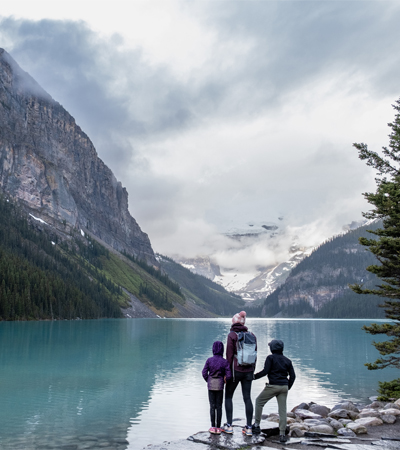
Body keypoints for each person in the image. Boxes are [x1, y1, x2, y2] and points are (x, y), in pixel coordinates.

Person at [252, 339, 296, 443]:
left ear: (272, 348)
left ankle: (257, 425)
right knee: (282, 410)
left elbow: (265, 371)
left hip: (273, 386)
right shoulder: (287, 360)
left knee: (259, 402)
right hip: (284, 387)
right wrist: (287, 386)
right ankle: (282, 435)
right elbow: (293, 376)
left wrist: (253, 377)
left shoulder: (270, 358)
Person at [222, 311, 257, 437]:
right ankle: (248, 427)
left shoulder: (232, 335)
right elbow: (255, 355)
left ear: (234, 322)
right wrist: (252, 371)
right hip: (248, 371)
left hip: (235, 371)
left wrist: (227, 373)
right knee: (247, 398)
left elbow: (229, 356)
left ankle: (229, 426)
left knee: (228, 396)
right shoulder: (252, 335)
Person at [202, 340, 232, 434]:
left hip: (211, 385)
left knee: (212, 406)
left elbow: (204, 373)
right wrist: (224, 380)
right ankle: (218, 428)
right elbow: (229, 375)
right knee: (219, 406)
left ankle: (212, 427)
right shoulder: (224, 361)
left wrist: (208, 380)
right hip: (220, 385)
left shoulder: (209, 360)